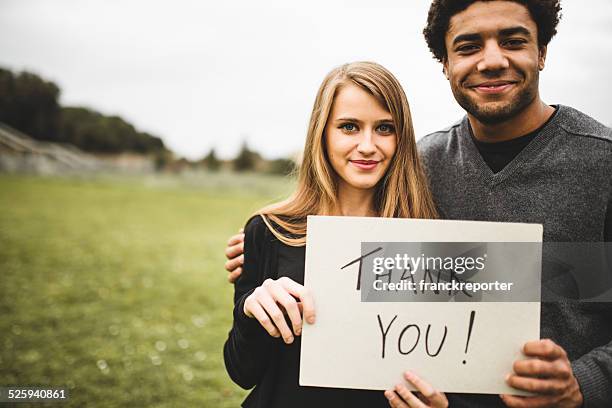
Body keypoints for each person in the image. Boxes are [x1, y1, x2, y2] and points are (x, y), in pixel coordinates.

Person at [224, 1, 612, 407]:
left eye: (513, 41)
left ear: (542, 52)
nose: (493, 60)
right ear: (445, 63)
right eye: (468, 46)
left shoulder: (600, 163)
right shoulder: (423, 166)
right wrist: (258, 255)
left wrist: (582, 385)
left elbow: (559, 280)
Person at [223, 61, 447, 407]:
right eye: (349, 127)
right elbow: (242, 372)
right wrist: (251, 310)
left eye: (385, 128)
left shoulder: (426, 239)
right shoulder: (269, 231)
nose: (368, 145)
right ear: (322, 133)